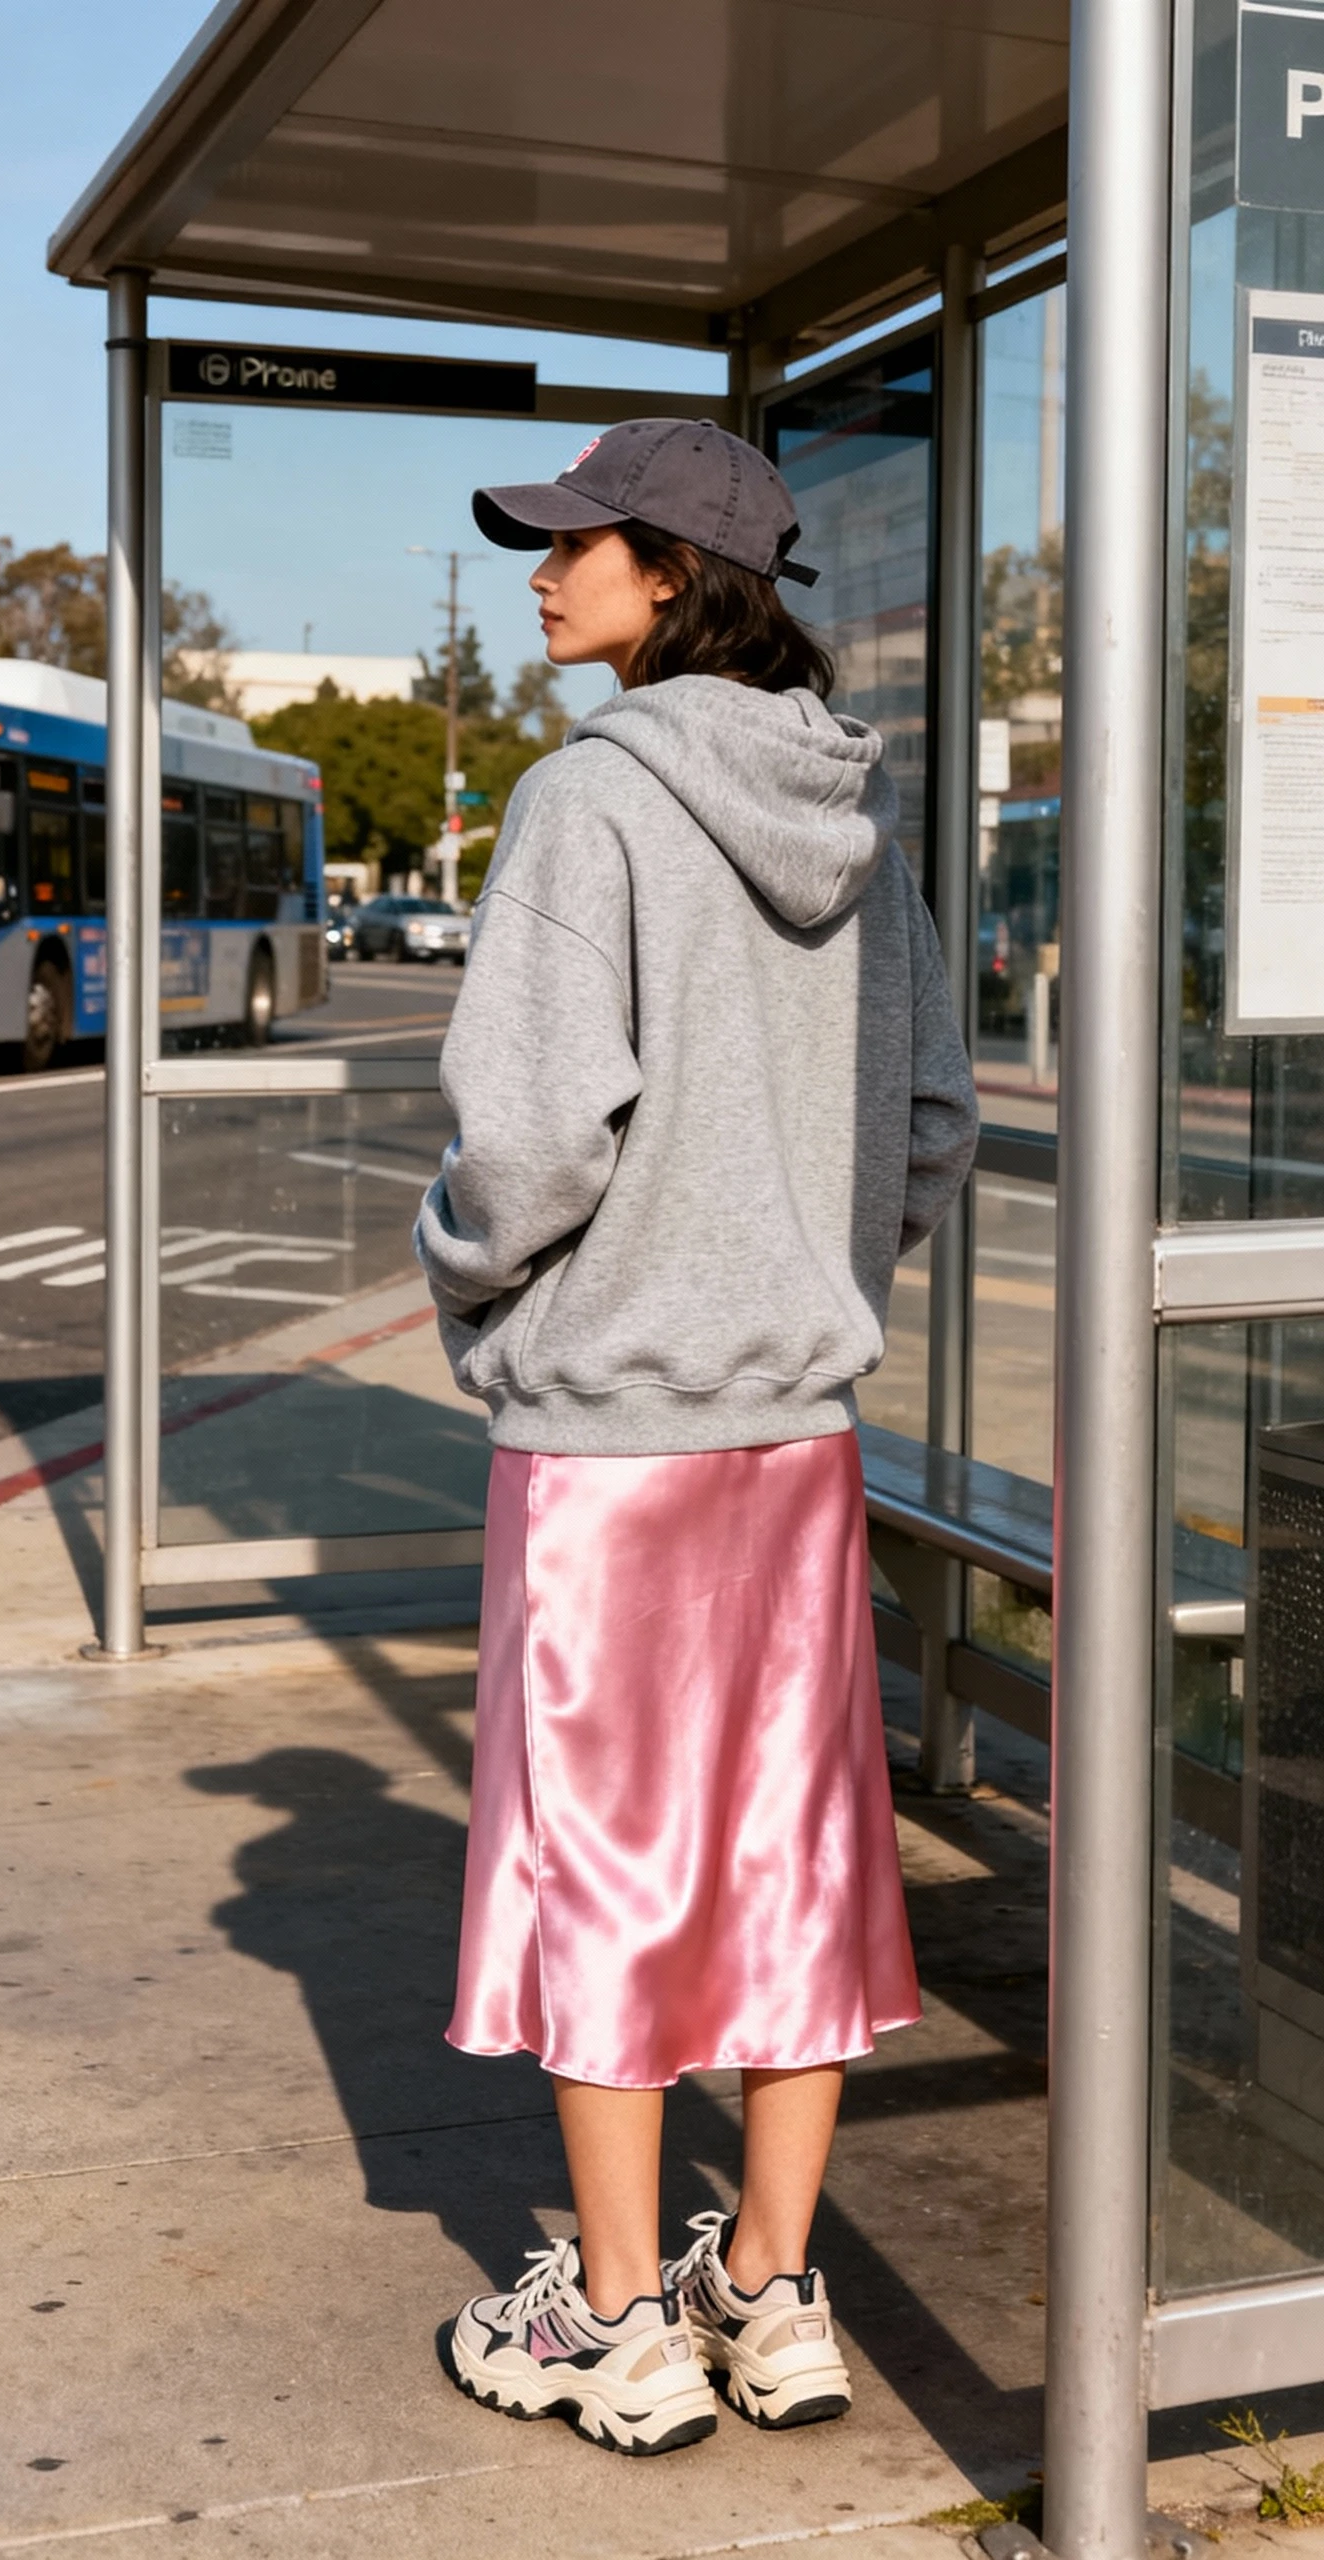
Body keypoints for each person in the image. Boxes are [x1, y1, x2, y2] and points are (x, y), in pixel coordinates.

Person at [414, 417, 978, 2458]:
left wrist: (465, 1264)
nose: (543, 575)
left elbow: (533, 1141)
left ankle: (630, 2322)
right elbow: (930, 1122)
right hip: (795, 1430)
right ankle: (774, 2285)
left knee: (600, 1870)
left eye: (579, 545)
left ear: (674, 574)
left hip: (615, 1437)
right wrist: (813, 1274)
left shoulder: (587, 801)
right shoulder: (864, 811)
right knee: (794, 1855)